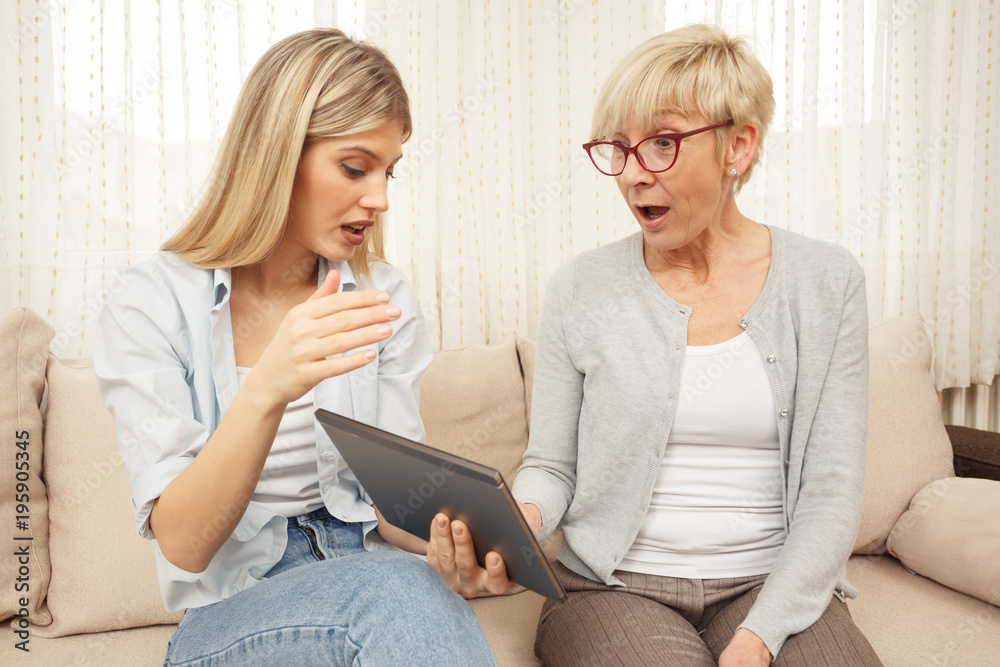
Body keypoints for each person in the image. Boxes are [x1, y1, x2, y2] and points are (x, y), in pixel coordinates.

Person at [426, 24, 883, 667]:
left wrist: (761, 636)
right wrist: (523, 515)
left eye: (663, 144)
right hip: (612, 590)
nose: (634, 176)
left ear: (739, 146)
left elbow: (832, 490)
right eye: (620, 148)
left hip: (768, 583)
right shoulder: (581, 287)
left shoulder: (827, 281)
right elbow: (554, 465)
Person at [94, 29, 495, 667]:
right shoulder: (151, 300)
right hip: (231, 609)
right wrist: (270, 385)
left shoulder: (380, 296)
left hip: (366, 570)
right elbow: (184, 544)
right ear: (278, 153)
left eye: (389, 171)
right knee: (399, 595)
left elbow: (392, 511)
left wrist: (451, 546)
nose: (380, 198)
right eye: (356, 167)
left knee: (409, 586)